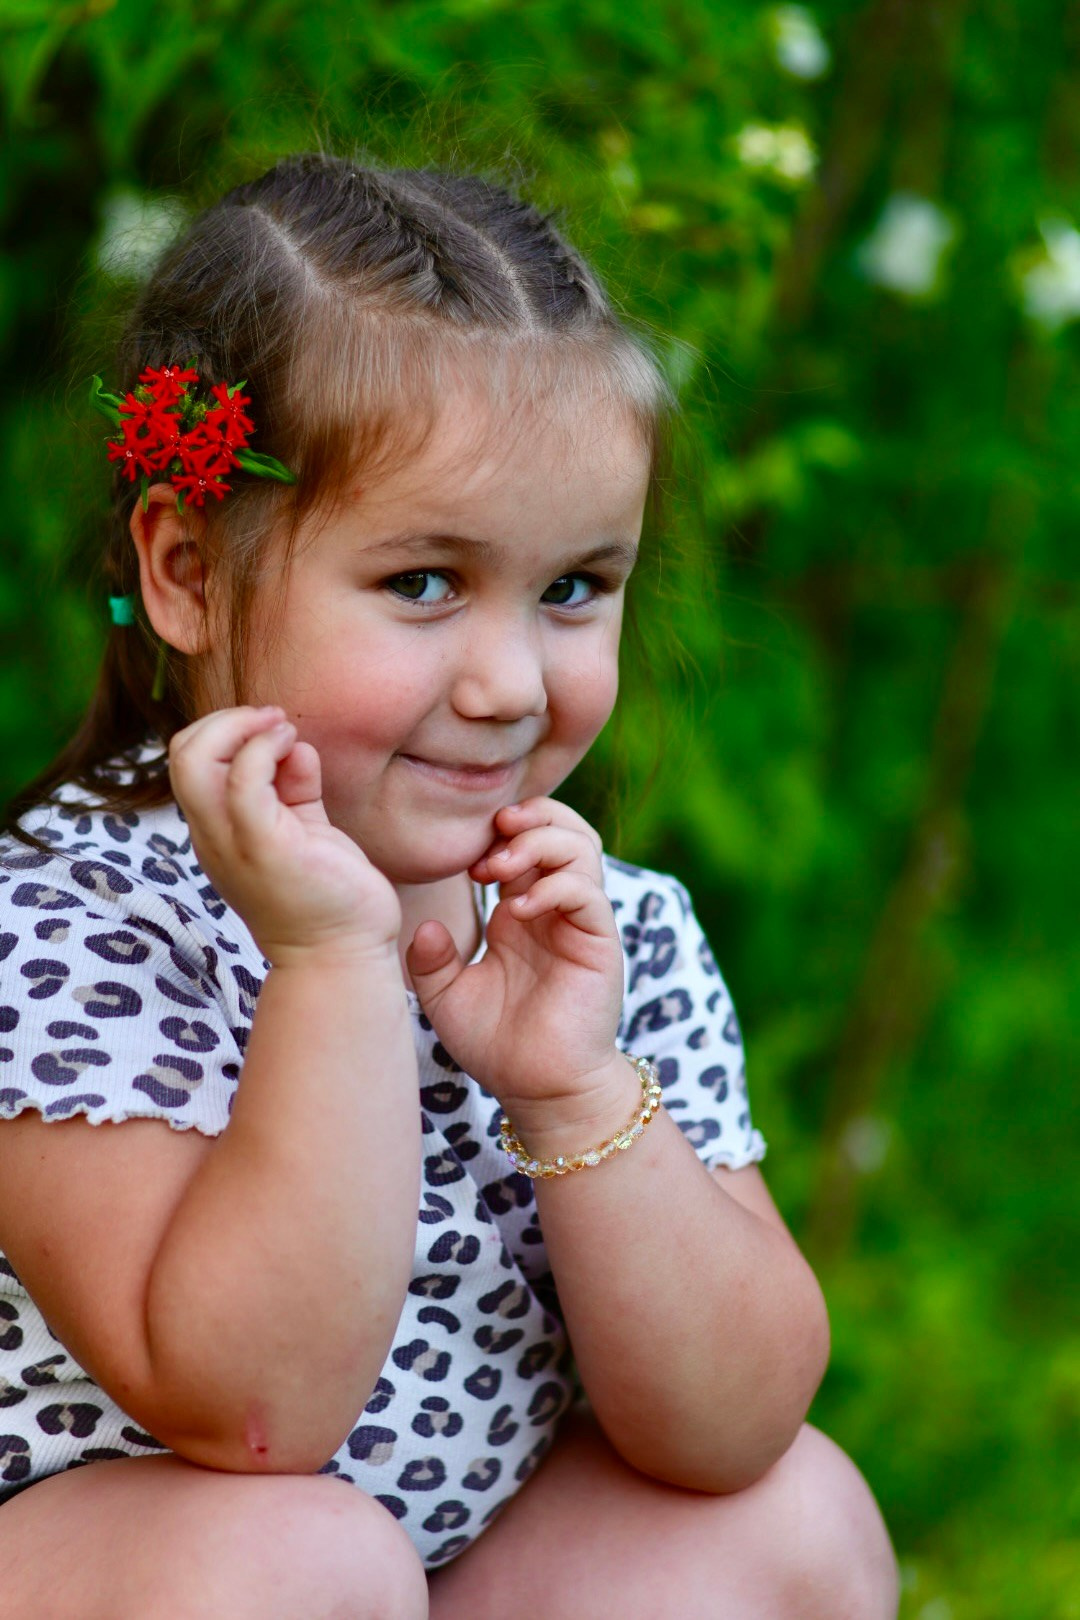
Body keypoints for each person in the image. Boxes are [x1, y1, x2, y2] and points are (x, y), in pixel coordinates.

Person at [0, 154, 897, 1618]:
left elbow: (731, 1424)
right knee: (297, 1561)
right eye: (423, 583)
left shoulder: (598, 928)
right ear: (187, 572)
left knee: (791, 1519)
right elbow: (252, 1413)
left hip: (429, 1566)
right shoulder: (69, 921)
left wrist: (575, 1090)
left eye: (573, 589)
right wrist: (332, 965)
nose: (510, 683)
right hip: (127, 1567)